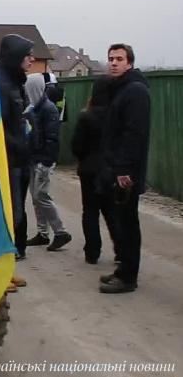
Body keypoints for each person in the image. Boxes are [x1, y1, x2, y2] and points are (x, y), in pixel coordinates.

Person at [98, 44, 150, 294]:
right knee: (122, 221)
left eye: (119, 59)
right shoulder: (120, 89)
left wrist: (124, 171)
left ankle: (128, 276)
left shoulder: (135, 91)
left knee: (128, 224)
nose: (114, 63)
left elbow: (134, 134)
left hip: (125, 172)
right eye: (111, 59)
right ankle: (123, 270)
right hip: (117, 168)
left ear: (129, 62)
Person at [0, 34, 34, 290]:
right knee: (4, 218)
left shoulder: (15, 81)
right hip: (7, 160)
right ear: (15, 57)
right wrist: (17, 145)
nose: (32, 59)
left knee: (15, 217)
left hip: (19, 159)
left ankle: (7, 269)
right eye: (27, 55)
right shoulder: (0, 83)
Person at [71, 77, 120, 265]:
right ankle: (120, 250)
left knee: (90, 212)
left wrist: (83, 158)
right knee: (111, 211)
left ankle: (92, 252)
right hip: (109, 169)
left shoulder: (86, 116)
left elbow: (77, 145)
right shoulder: (116, 115)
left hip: (89, 170)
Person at [24, 73, 72, 251]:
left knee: (41, 196)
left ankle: (60, 232)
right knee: (36, 197)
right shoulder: (33, 108)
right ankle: (42, 233)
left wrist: (46, 162)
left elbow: (52, 138)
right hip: (35, 157)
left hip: (43, 159)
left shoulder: (48, 109)